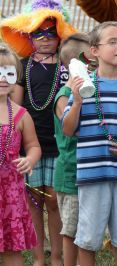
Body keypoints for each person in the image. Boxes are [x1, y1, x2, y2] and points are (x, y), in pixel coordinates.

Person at [62, 21, 117, 266]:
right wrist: (76, 102)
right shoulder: (83, 85)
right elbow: (68, 130)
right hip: (93, 174)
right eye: (113, 42)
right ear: (94, 50)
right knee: (88, 238)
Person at [0, 1, 76, 264]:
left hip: (58, 145)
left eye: (51, 33)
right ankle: (37, 257)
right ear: (29, 36)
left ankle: (56, 257)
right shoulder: (22, 65)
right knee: (33, 201)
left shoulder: (67, 66)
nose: (45, 39)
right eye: (38, 33)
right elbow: (15, 109)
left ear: (60, 34)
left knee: (54, 201)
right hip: (28, 146)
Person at [53, 32, 93, 266]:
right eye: (93, 61)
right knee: (71, 229)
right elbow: (73, 127)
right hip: (70, 172)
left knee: (86, 225)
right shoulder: (65, 95)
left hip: (87, 170)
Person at [0, 44, 41, 265]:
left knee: (11, 248)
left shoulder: (21, 115)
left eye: (8, 73)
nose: (3, 78)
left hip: (10, 191)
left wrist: (30, 158)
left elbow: (34, 145)